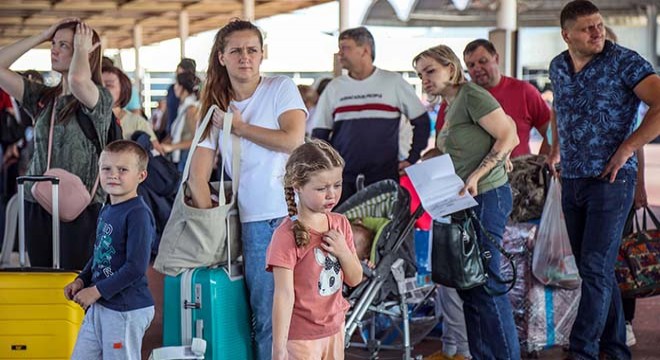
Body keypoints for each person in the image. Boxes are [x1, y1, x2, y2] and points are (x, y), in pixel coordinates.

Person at [546, 1, 660, 359]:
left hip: (613, 180)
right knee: (595, 270)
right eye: (586, 28)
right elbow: (560, 108)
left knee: (595, 268)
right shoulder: (558, 66)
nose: (596, 32)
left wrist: (627, 149)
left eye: (598, 25)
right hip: (573, 180)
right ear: (567, 35)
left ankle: (582, 351)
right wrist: (555, 149)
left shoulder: (625, 61)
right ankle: (615, 349)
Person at [189, 19, 307, 360]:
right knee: (269, 318)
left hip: (299, 215)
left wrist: (239, 128)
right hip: (256, 223)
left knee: (309, 311)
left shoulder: (280, 88)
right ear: (222, 57)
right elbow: (197, 176)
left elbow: (293, 141)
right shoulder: (215, 107)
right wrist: (213, 226)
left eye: (252, 50)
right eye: (236, 50)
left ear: (262, 54)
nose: (245, 57)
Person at [412, 45, 520, 359]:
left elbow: (508, 135)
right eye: (421, 75)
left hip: (487, 195)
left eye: (430, 71)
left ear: (451, 67)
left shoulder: (471, 95)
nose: (425, 80)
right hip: (464, 202)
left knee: (486, 284)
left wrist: (479, 173)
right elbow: (499, 132)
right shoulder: (451, 104)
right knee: (469, 286)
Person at [0, 18, 113, 270]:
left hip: (82, 206)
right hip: (38, 201)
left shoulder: (100, 97)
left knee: (75, 282)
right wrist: (41, 35)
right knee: (44, 279)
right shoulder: (42, 97)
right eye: (53, 44)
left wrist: (82, 50)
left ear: (84, 50)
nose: (54, 50)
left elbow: (77, 82)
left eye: (64, 45)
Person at [311, 26, 430, 204]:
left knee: (383, 230)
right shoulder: (334, 88)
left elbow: (421, 122)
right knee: (345, 230)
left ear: (365, 50)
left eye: (345, 48)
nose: (339, 54)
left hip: (384, 178)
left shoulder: (393, 82)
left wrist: (412, 158)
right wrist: (327, 170)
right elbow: (320, 135)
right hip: (343, 181)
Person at [267, 139, 362, 360]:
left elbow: (355, 278)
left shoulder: (340, 223)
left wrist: (343, 252)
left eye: (337, 185)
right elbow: (283, 295)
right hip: (301, 338)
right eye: (321, 188)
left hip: (335, 329)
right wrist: (278, 349)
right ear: (297, 186)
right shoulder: (285, 235)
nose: (331, 194)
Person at [64, 140, 155, 360]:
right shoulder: (107, 210)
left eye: (122, 170)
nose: (113, 175)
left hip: (125, 309)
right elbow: (99, 254)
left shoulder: (138, 214)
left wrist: (95, 291)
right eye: (106, 169)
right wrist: (82, 280)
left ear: (140, 176)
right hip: (101, 305)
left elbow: (135, 267)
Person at [457, 38, 551, 157]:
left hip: (517, 171)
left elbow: (551, 132)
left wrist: (542, 163)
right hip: (472, 173)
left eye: (483, 61)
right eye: (471, 65)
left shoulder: (524, 91)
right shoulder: (459, 98)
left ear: (496, 58)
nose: (477, 68)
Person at [101, 65, 163, 154]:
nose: (102, 89)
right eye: (98, 85)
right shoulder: (89, 120)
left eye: (109, 85)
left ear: (123, 89)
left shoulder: (137, 122)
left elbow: (157, 152)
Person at [162, 72, 200, 172]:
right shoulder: (183, 107)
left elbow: (198, 140)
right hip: (183, 157)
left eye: (177, 84)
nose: (174, 87)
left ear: (183, 87)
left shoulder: (191, 109)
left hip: (187, 158)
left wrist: (171, 147)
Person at [165, 58, 196, 137]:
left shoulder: (191, 107)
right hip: (173, 131)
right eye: (178, 74)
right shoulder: (172, 90)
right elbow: (167, 110)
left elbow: (196, 138)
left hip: (182, 137)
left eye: (182, 75)